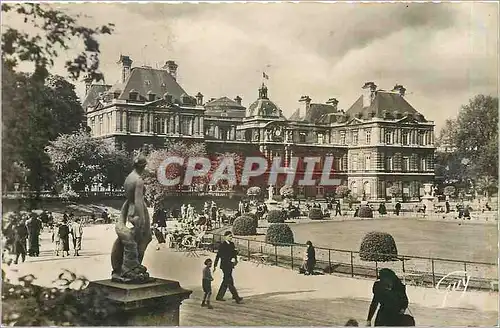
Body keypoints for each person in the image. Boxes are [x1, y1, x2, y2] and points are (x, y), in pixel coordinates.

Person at [214, 231, 243, 304]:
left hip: (230, 265)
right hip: (224, 265)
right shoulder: (222, 245)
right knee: (228, 280)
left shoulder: (232, 244)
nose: (231, 237)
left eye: (231, 236)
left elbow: (233, 253)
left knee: (227, 280)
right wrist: (215, 265)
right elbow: (218, 256)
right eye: (230, 236)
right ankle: (236, 297)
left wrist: (236, 258)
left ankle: (219, 296)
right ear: (225, 236)